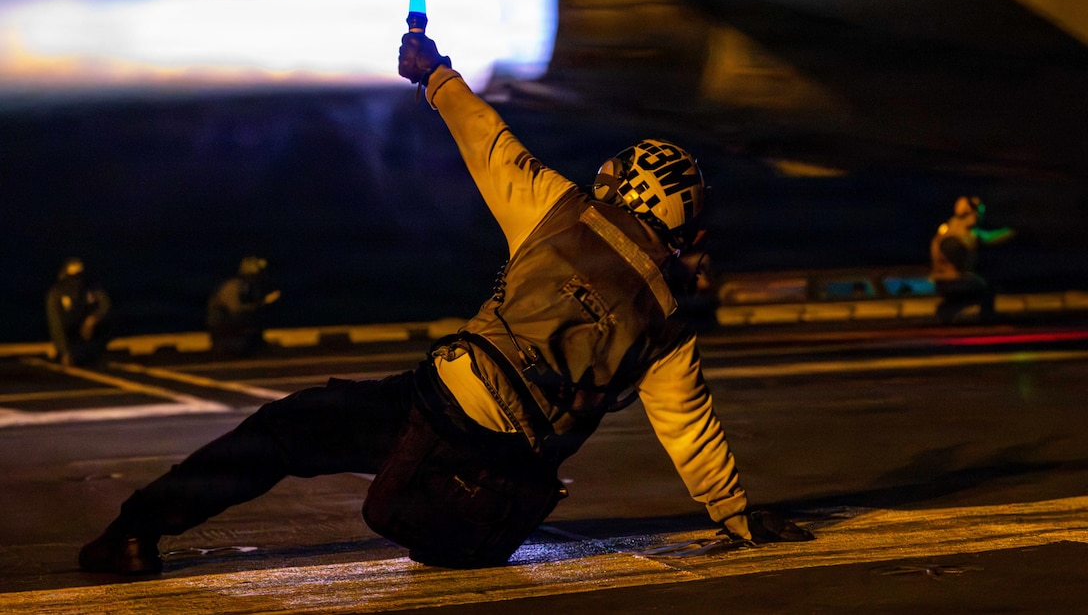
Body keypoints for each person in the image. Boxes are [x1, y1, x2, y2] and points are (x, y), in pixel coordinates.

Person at [78, 31, 812, 576]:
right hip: (510, 480)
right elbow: (691, 431)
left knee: (284, 430)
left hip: (443, 407)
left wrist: (433, 75)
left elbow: (489, 142)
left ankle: (135, 532)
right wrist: (736, 516)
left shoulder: (562, 211)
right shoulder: (667, 320)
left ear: (625, 185)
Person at [930, 196, 1016, 324]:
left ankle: (947, 312)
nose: (980, 216)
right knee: (987, 287)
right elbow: (991, 237)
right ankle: (986, 319)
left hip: (939, 280)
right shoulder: (968, 233)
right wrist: (1015, 229)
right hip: (953, 279)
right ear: (971, 212)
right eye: (979, 212)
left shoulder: (945, 228)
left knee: (972, 284)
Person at [45, 257, 112, 367]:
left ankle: (95, 352)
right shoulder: (55, 294)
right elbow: (56, 324)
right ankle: (65, 352)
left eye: (79, 276)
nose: (76, 281)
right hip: (68, 333)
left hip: (87, 331)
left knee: (109, 323)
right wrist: (64, 351)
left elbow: (105, 305)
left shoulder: (91, 289)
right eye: (72, 277)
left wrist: (93, 319)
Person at [206, 256, 281, 356]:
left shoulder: (247, 288)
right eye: (259, 274)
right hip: (225, 338)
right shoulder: (232, 287)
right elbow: (237, 313)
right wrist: (263, 303)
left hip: (235, 334)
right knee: (253, 345)